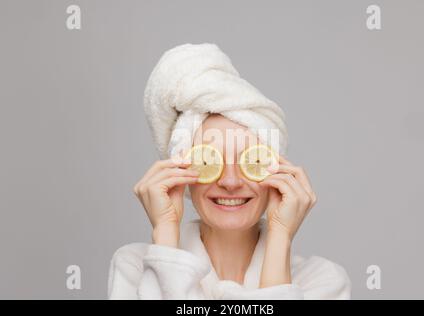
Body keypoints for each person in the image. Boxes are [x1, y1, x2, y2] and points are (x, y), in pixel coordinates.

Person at [107, 43, 351, 299]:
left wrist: (280, 238)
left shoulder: (322, 281)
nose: (231, 181)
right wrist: (165, 229)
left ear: (277, 170)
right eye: (209, 160)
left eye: (251, 161)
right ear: (180, 170)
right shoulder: (135, 267)